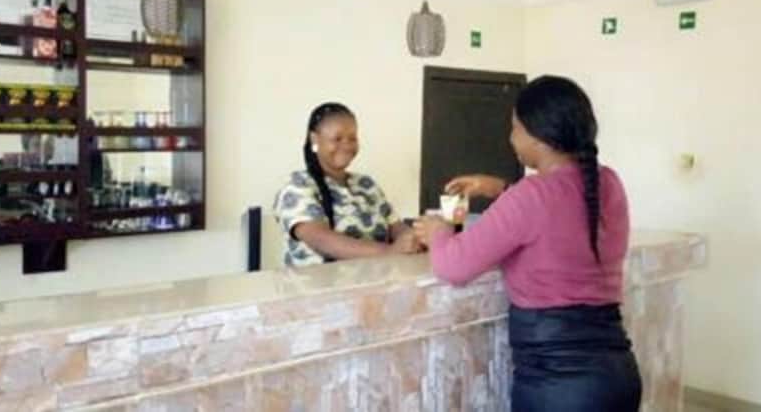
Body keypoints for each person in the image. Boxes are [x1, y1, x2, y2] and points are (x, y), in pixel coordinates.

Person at [414, 76, 641, 411]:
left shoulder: (531, 195)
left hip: (559, 387)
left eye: (515, 128)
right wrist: (501, 189)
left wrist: (437, 232)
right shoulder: (609, 182)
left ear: (538, 136)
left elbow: (454, 266)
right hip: (619, 376)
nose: (511, 139)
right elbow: (558, 214)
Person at [274, 102, 420, 266]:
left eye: (353, 138)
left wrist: (411, 239)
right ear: (314, 139)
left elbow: (396, 226)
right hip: (318, 283)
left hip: (376, 281)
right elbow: (322, 240)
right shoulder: (297, 187)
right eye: (337, 139)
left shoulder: (366, 184)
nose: (347, 145)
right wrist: (389, 251)